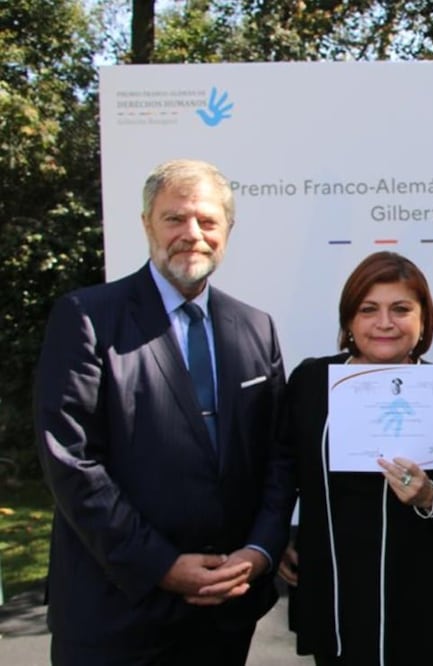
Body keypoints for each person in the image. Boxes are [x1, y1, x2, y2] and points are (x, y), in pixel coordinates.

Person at [33, 159, 294, 664]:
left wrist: (260, 552)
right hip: (116, 610)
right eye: (175, 218)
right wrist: (162, 565)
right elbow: (71, 461)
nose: (192, 234)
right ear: (147, 224)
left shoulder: (254, 327)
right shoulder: (87, 318)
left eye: (207, 221)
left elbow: (277, 455)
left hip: (224, 611)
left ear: (227, 230)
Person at [278, 251, 433, 665]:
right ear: (349, 321)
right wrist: (277, 538)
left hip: (422, 598)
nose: (384, 323)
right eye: (368, 309)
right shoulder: (310, 383)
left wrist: (430, 495)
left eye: (401, 309)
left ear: (424, 319)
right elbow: (282, 469)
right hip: (336, 592)